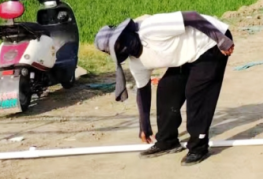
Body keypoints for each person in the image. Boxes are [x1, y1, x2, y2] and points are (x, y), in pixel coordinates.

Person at [95, 12, 234, 166]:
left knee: (196, 93)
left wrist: (221, 39)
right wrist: (144, 126)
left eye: (120, 41)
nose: (124, 46)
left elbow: (192, 17)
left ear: (124, 32)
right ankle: (167, 141)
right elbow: (143, 90)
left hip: (211, 41)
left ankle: (198, 146)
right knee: (166, 89)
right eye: (118, 48)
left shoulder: (151, 28)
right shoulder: (136, 63)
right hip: (187, 54)